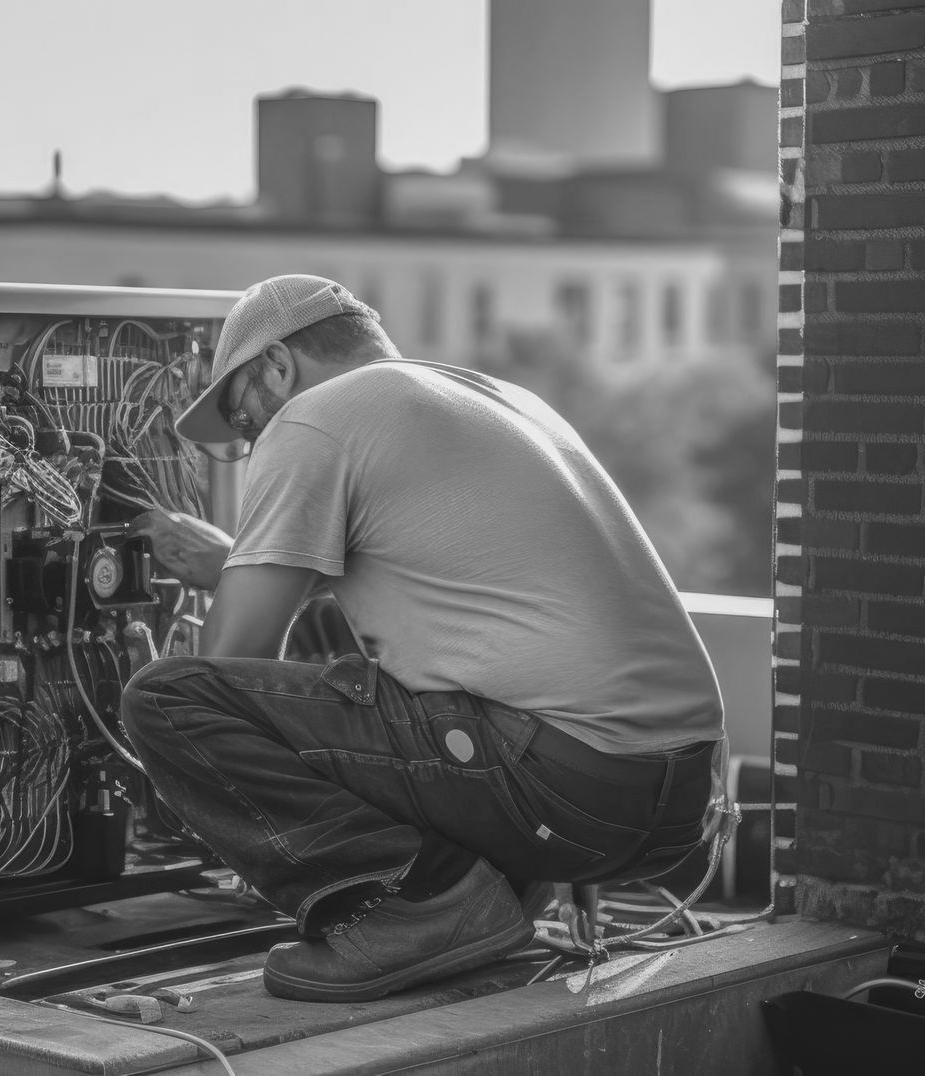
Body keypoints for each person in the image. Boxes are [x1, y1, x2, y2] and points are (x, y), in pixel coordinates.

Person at [119, 275, 726, 1003]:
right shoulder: (484, 399)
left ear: (277, 367)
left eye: (244, 420)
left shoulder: (314, 419)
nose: (251, 442)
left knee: (168, 698)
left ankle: (426, 909)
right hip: (671, 804)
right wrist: (234, 562)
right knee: (374, 670)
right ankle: (487, 893)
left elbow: (228, 662)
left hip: (564, 787)